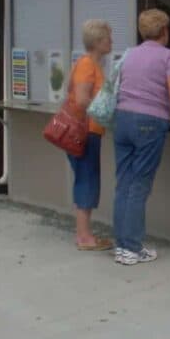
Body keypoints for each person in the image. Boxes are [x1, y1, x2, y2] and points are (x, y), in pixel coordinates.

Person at [112, 9, 170, 266]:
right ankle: (133, 249)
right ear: (165, 32)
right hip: (148, 123)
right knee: (139, 185)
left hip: (122, 119)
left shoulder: (129, 54)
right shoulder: (169, 56)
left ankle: (122, 246)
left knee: (124, 183)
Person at [68, 19, 114, 251]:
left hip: (89, 130)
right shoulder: (87, 65)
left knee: (86, 178)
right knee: (87, 179)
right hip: (85, 131)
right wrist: (105, 110)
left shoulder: (92, 64)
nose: (111, 41)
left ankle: (85, 233)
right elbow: (82, 98)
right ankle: (84, 237)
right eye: (107, 37)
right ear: (97, 42)